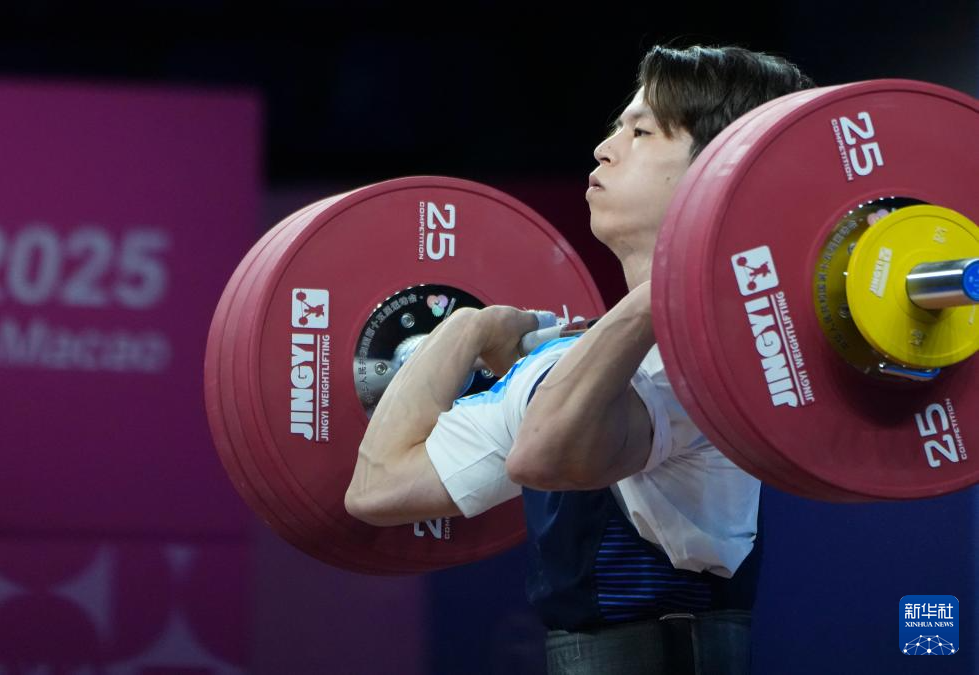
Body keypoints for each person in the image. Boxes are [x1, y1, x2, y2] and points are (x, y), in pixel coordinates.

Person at [345, 44, 814, 674]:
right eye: (617, 128)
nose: (604, 148)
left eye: (641, 132)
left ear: (722, 168)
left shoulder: (705, 366)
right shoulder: (573, 360)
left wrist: (687, 270)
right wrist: (466, 327)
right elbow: (377, 488)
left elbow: (541, 454)